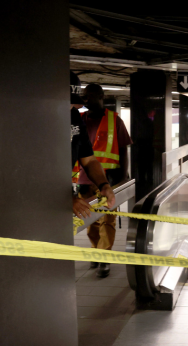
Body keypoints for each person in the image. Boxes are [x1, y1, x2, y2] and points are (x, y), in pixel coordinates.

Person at [75, 83, 132, 278]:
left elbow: (124, 149)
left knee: (107, 220)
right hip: (83, 179)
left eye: (89, 96)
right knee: (90, 221)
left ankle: (104, 257)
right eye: (83, 96)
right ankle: (96, 251)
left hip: (108, 180)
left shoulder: (115, 120)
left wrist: (123, 176)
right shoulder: (78, 119)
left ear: (101, 96)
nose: (85, 100)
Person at [71, 72, 116, 222]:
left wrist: (104, 185)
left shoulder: (75, 117)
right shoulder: (32, 125)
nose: (77, 106)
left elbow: (89, 160)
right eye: (68, 101)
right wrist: (65, 199)